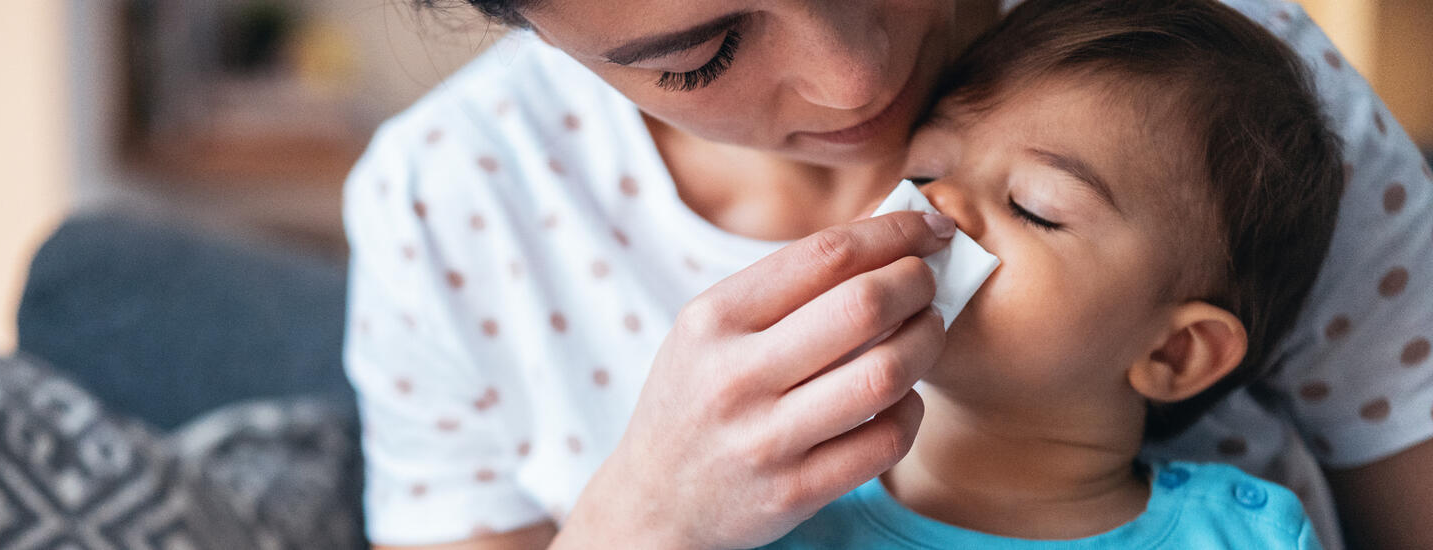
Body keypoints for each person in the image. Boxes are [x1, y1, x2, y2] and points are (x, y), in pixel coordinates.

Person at [342, 0, 1433, 548]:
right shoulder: (448, 205)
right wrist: (645, 516)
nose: (855, 81)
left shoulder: (1223, 98)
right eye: (702, 56)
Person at [762, 0, 1337, 545]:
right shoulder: (777, 503)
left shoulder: (1247, 537)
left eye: (1032, 208)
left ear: (1174, 352)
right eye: (923, 172)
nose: (942, 203)